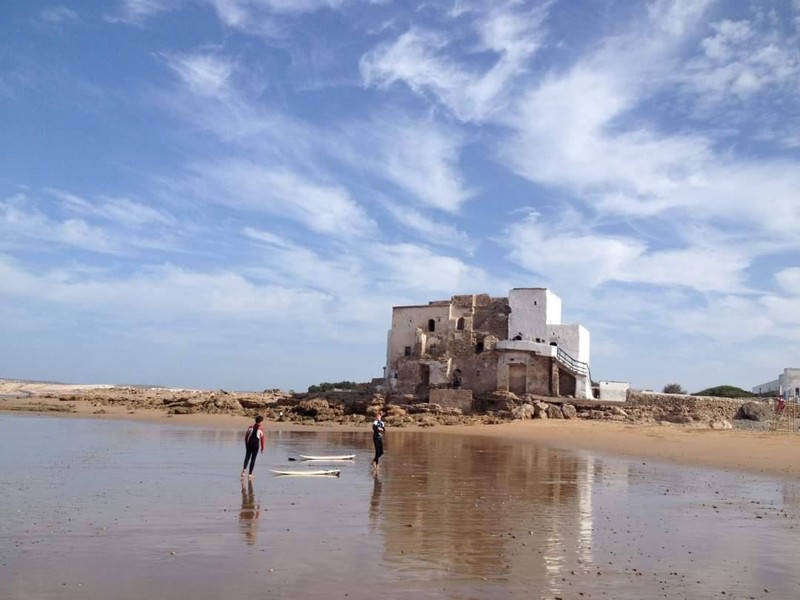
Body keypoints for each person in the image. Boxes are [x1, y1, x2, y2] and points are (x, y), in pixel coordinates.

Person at [241, 415, 265, 480]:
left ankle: (243, 471)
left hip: (249, 444)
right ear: (260, 421)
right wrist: (262, 448)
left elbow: (246, 437)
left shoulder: (250, 427)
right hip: (255, 445)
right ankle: (250, 474)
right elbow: (262, 439)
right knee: (253, 459)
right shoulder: (261, 428)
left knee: (247, 457)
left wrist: (246, 444)